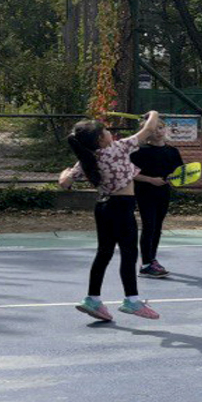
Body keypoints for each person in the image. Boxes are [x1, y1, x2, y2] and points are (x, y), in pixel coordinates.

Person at [59, 112, 168, 321]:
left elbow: (64, 183)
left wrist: (64, 173)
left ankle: (92, 299)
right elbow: (148, 129)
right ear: (101, 138)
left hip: (103, 207)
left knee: (104, 253)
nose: (110, 133)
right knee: (129, 254)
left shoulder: (87, 159)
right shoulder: (118, 148)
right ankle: (132, 301)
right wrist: (153, 113)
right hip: (121, 207)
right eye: (106, 131)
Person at [131, 133, 185, 277]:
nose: (158, 132)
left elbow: (180, 174)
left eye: (161, 127)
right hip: (144, 193)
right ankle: (146, 265)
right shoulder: (139, 151)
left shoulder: (172, 151)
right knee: (149, 226)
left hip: (163, 193)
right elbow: (130, 173)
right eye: (154, 129)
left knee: (157, 228)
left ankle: (152, 260)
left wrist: (174, 180)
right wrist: (150, 180)